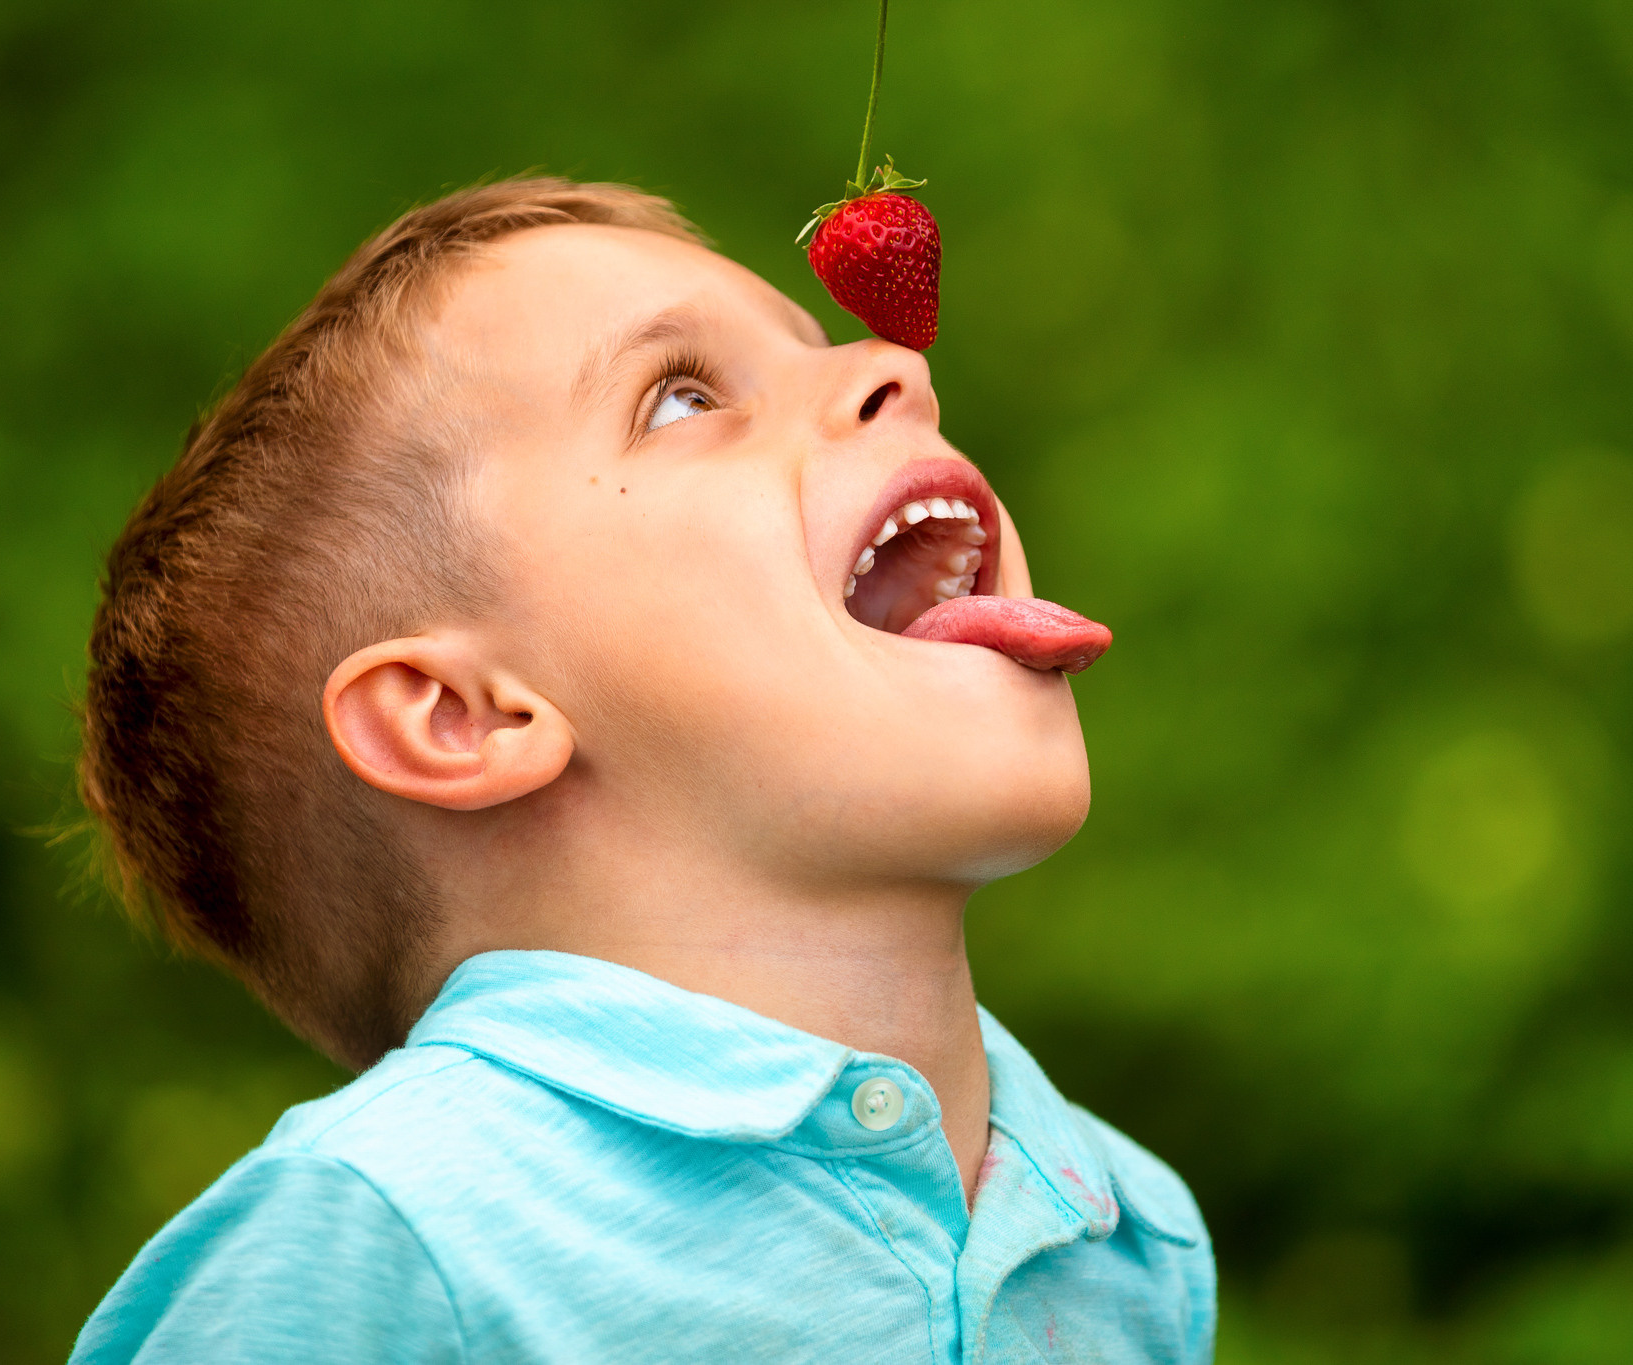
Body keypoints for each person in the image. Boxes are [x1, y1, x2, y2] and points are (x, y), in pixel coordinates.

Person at [71, 177, 1215, 1363]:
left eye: (819, 346)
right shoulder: (381, 1237)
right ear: (464, 715)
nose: (898, 367)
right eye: (680, 397)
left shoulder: (1130, 1246)